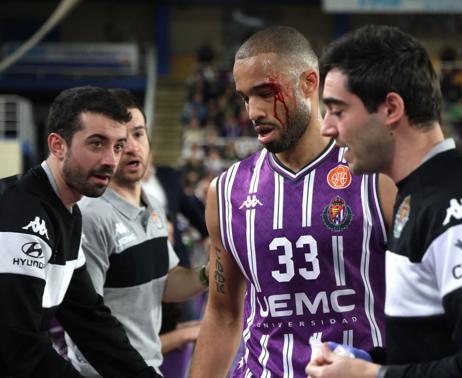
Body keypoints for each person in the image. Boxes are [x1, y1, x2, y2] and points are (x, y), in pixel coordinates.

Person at [307, 25, 462, 377]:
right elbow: (433, 346)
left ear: (391, 108)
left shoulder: (461, 214)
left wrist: (372, 376)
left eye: (337, 111)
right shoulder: (415, 196)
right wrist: (367, 361)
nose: (326, 127)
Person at [190, 26, 396, 378]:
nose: (252, 111)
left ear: (309, 83)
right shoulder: (225, 193)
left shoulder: (378, 177)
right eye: (244, 98)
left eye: (265, 93)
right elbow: (223, 314)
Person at [0, 86, 161, 377]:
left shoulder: (68, 213)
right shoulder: (23, 216)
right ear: (57, 145)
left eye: (117, 146)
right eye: (97, 144)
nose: (111, 160)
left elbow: (90, 320)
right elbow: (16, 342)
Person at [64, 89, 209, 377]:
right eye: (120, 140)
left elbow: (166, 284)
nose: (131, 147)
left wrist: (211, 272)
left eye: (138, 134)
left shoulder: (153, 206)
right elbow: (85, 322)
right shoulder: (93, 217)